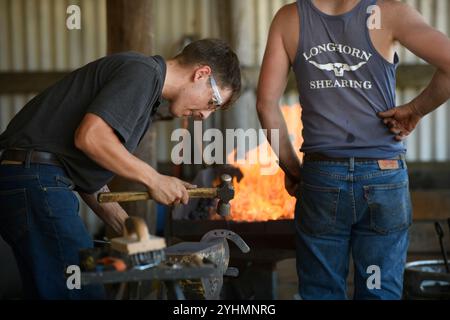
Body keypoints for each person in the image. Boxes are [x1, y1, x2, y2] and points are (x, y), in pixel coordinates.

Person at [0, 38, 241, 299]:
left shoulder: (146, 93)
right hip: (36, 179)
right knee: (83, 289)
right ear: (202, 74)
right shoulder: (142, 73)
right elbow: (90, 138)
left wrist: (128, 226)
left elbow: (87, 177)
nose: (205, 115)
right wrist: (155, 180)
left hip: (32, 179)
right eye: (213, 101)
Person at [257, 0, 450, 299]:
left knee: (321, 292)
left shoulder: (289, 19)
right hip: (382, 176)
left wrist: (293, 168)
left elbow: (266, 104)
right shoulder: (390, 13)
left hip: (322, 177)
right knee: (378, 291)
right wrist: (415, 109)